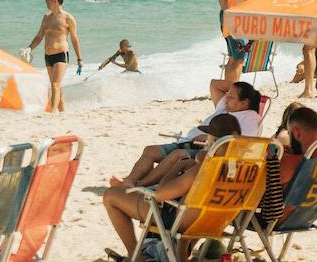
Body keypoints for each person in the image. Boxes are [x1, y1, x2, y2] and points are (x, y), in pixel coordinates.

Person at [102, 112, 240, 262]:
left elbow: (161, 195)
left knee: (111, 196)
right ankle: (180, 254)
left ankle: (136, 257)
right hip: (217, 221)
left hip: (181, 220)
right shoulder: (246, 170)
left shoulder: (204, 170)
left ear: (213, 141)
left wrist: (177, 167)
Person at [111, 80, 262, 188]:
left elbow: (241, 142)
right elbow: (214, 84)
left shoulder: (250, 117)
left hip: (206, 149)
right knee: (150, 150)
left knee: (177, 154)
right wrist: (237, 87)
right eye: (227, 94)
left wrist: (211, 138)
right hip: (190, 142)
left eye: (231, 97)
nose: (226, 98)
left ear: (244, 103)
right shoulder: (225, 107)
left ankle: (138, 185)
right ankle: (130, 180)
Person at [25, 0, 82, 113]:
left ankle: (52, 113)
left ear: (55, 1)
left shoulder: (68, 18)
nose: (45, 2)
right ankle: (62, 111)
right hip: (48, 56)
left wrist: (79, 58)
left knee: (55, 84)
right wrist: (29, 48)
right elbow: (39, 36)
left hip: (61, 54)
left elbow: (74, 39)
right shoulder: (46, 17)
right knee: (56, 86)